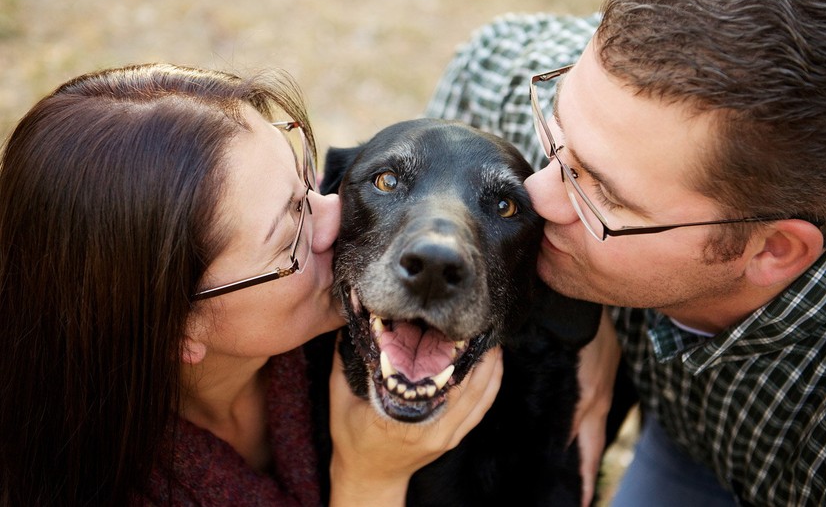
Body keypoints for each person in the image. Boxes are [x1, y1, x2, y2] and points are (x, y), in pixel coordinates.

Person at [425, 0, 826, 505]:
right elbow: (486, 59)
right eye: (558, 131)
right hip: (681, 442)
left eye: (601, 191)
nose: (537, 194)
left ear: (773, 249)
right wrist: (586, 325)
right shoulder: (608, 115)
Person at [0, 63, 503, 506]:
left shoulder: (363, 336)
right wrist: (370, 479)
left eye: (306, 183)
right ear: (174, 328)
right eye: (289, 235)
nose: (336, 216)